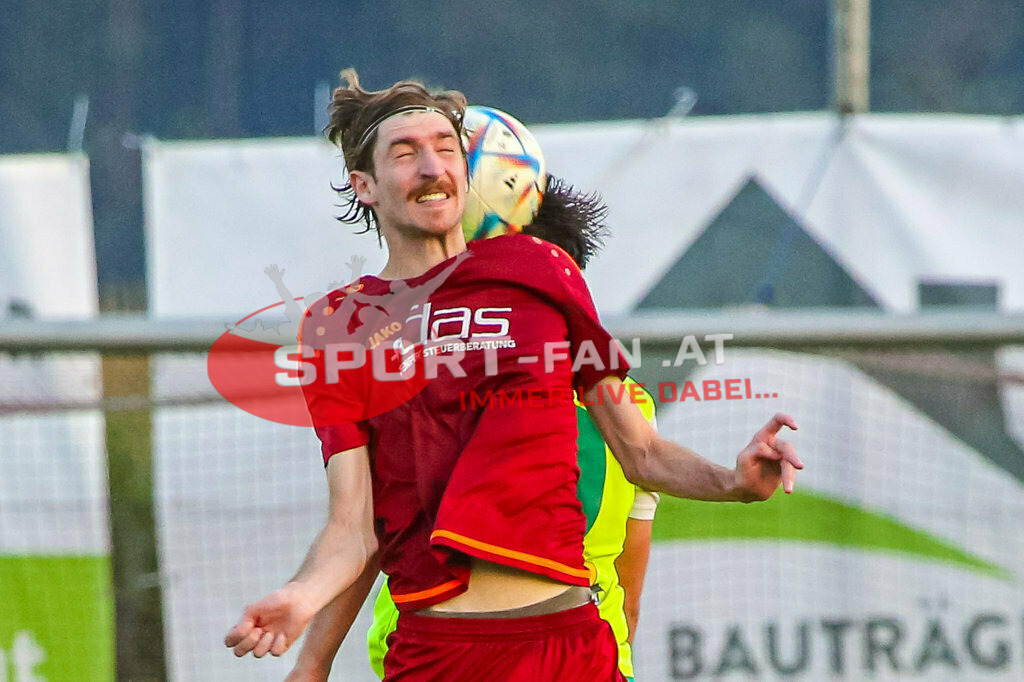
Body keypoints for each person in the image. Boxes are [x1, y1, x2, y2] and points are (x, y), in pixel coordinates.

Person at [225, 70, 801, 681]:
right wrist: (301, 598)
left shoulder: (539, 268)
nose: (431, 166)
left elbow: (641, 452)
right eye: (405, 153)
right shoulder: (341, 325)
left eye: (446, 149)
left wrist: (734, 482)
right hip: (435, 657)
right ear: (362, 184)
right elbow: (352, 528)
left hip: (567, 644)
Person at [284, 177, 661, 682]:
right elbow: (629, 597)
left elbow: (369, 531)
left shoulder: (446, 396)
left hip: (443, 649)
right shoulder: (632, 406)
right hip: (588, 650)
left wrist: (314, 662)